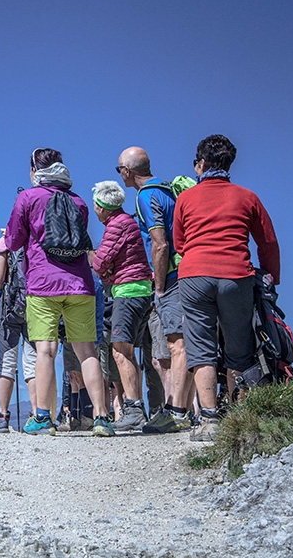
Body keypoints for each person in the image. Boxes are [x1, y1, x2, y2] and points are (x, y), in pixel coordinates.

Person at [174, 134, 280, 442]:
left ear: (202, 163)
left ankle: (209, 420)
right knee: (239, 349)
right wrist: (272, 278)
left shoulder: (186, 198)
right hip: (236, 276)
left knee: (201, 347)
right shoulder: (247, 197)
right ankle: (237, 418)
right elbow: (268, 242)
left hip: (194, 276)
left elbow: (180, 243)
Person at [4, 147, 114, 437]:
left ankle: (43, 417)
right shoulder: (78, 201)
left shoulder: (27, 197)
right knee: (87, 351)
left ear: (34, 171)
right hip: (80, 283)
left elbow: (14, 241)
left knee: (46, 350)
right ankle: (102, 417)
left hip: (42, 284)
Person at [117, 146, 192, 434]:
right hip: (186, 270)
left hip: (172, 276)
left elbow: (159, 243)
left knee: (176, 343)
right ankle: (183, 410)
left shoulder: (146, 196)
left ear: (128, 171)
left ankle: (177, 413)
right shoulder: (167, 190)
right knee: (181, 343)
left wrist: (159, 287)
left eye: (119, 169)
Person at [91, 180, 154, 432]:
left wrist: (96, 261)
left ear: (103, 207)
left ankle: (134, 409)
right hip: (138, 290)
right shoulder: (126, 222)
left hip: (127, 291)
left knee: (120, 351)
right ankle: (135, 407)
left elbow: (99, 263)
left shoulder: (116, 225)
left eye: (96, 203)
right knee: (127, 352)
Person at [0, 230, 38, 433]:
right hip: (36, 306)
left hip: (9, 308)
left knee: (7, 361)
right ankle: (38, 415)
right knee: (33, 362)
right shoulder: (38, 240)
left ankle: (2, 416)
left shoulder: (5, 243)